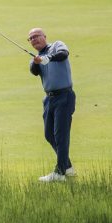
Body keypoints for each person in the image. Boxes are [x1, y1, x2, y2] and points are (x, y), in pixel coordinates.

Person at [28, 28, 76, 182]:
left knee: (61, 135)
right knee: (49, 134)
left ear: (44, 36)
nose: (34, 39)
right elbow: (34, 71)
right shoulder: (36, 58)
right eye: (31, 39)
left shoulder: (57, 45)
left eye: (36, 36)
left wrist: (48, 58)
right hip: (49, 99)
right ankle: (67, 168)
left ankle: (60, 172)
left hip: (64, 95)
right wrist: (37, 61)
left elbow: (64, 54)